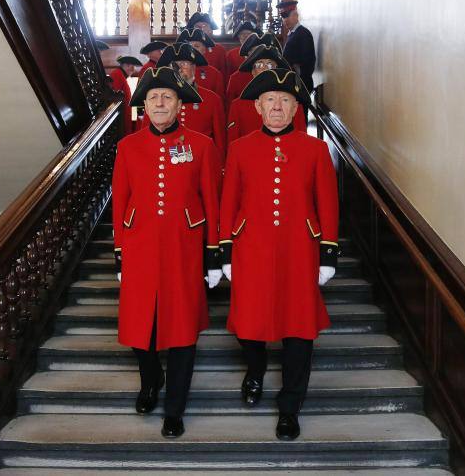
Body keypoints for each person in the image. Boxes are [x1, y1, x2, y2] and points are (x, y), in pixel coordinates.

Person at [218, 68, 339, 441]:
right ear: (257, 106)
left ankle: (290, 407)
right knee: (249, 324)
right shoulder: (240, 148)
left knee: (299, 330)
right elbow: (228, 202)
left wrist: (328, 254)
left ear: (295, 110)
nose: (277, 107)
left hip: (300, 251)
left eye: (285, 101)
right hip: (250, 248)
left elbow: (328, 205)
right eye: (270, 100)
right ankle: (255, 371)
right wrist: (225, 250)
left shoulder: (316, 149)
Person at [113, 67, 223, 438]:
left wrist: (213, 255)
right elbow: (120, 202)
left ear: (179, 104)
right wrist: (119, 252)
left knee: (181, 331)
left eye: (167, 97)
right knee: (139, 328)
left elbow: (212, 200)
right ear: (144, 105)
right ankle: (150, 381)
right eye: (153, 97)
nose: (159, 103)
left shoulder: (202, 145)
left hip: (185, 250)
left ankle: (175, 409)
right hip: (140, 247)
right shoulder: (127, 147)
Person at [139, 43, 227, 159]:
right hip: (163, 161)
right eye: (173, 64)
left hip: (200, 161)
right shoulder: (155, 99)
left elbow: (220, 142)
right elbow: (145, 135)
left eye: (184, 63)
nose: (178, 68)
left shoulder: (212, 99)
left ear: (194, 67)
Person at [226, 45, 306, 150]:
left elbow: (302, 140)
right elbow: (233, 143)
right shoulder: (238, 105)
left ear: (277, 70)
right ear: (253, 72)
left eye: (269, 64)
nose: (264, 68)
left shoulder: (293, 103)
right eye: (259, 64)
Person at [225, 32, 281, 108]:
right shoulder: (236, 78)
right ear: (248, 54)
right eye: (256, 52)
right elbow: (229, 107)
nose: (260, 54)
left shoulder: (283, 78)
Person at [278, 1, 316, 100]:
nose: (285, 20)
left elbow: (308, 63)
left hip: (299, 86)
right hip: (292, 85)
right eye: (283, 17)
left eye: (287, 16)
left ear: (295, 15)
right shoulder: (293, 34)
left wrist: (298, 84)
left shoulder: (303, 34)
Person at [176, 28, 226, 100]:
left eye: (196, 46)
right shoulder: (173, 71)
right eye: (188, 45)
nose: (191, 48)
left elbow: (219, 103)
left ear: (204, 50)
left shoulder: (215, 74)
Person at [186, 11, 228, 78]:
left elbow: (224, 75)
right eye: (197, 26)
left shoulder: (219, 50)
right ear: (191, 30)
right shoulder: (185, 49)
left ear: (211, 30)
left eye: (205, 26)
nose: (201, 29)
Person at [109, 55, 142, 134]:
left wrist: (134, 116)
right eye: (132, 66)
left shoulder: (121, 75)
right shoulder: (117, 74)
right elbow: (114, 98)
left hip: (127, 115)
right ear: (127, 65)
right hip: (122, 117)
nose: (133, 69)